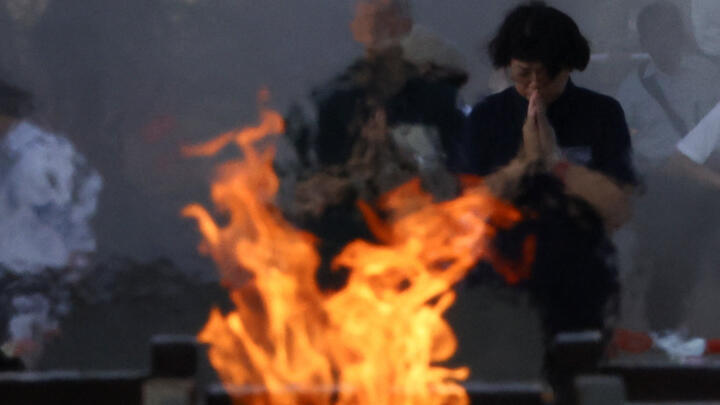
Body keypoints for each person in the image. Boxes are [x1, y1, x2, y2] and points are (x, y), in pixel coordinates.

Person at [616, 1, 720, 332]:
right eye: (653, 33)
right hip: (661, 183)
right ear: (644, 41)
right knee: (667, 258)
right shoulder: (631, 89)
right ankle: (664, 326)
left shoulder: (708, 74)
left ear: (680, 34)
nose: (662, 39)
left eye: (668, 30)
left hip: (708, 176)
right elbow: (622, 147)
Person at [0, 80, 102, 367]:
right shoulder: (13, 155)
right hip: (26, 289)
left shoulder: (38, 158)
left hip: (35, 291)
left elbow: (66, 231)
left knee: (22, 362)